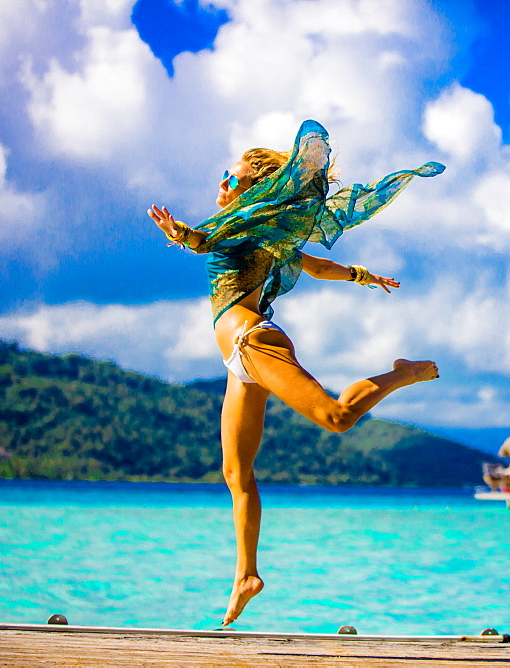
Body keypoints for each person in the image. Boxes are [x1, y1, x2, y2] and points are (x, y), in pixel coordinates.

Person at [147, 120, 444, 626]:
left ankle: (401, 373)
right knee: (236, 472)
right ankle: (246, 576)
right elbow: (314, 266)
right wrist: (361, 275)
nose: (222, 183)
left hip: (252, 342)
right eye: (223, 174)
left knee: (336, 416)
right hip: (239, 364)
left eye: (231, 177)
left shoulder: (238, 227)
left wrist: (179, 233)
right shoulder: (262, 230)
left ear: (256, 184)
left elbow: (199, 241)